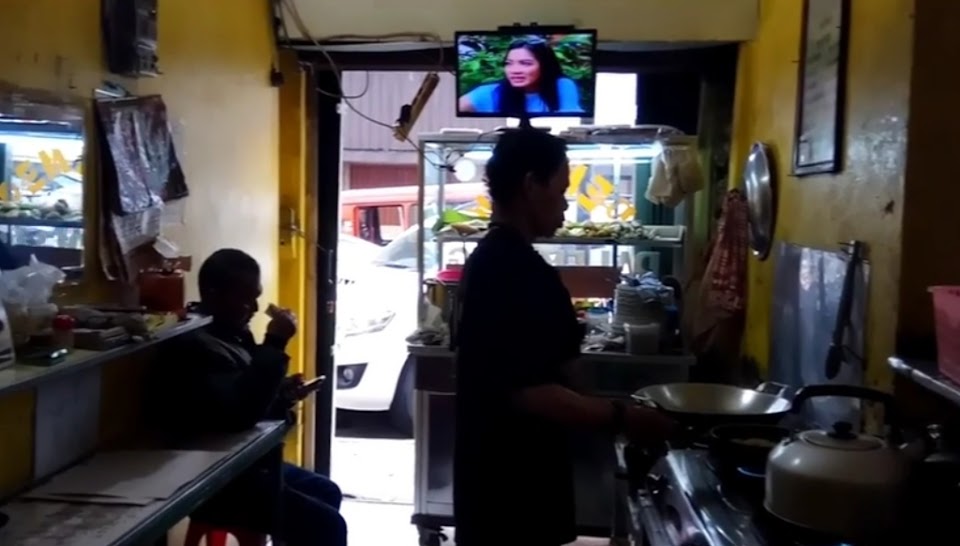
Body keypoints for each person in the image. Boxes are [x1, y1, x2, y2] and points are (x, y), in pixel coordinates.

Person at [453, 130, 677, 546]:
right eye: (560, 191)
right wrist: (625, 419)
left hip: (496, 485)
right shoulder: (514, 271)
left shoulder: (491, 260)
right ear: (530, 185)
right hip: (512, 494)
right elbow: (530, 392)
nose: (565, 204)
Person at [147, 249, 346, 546]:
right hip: (214, 477)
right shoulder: (192, 343)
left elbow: (251, 392)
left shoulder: (233, 333)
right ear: (213, 294)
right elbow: (239, 413)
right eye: (245, 299)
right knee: (328, 526)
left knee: (327, 491)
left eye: (256, 297)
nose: (254, 308)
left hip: (246, 464)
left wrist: (284, 393)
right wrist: (275, 342)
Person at [458, 38, 584, 115]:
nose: (515, 71)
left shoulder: (562, 85)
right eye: (509, 63)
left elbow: (571, 121)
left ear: (545, 65)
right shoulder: (489, 93)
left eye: (525, 63)